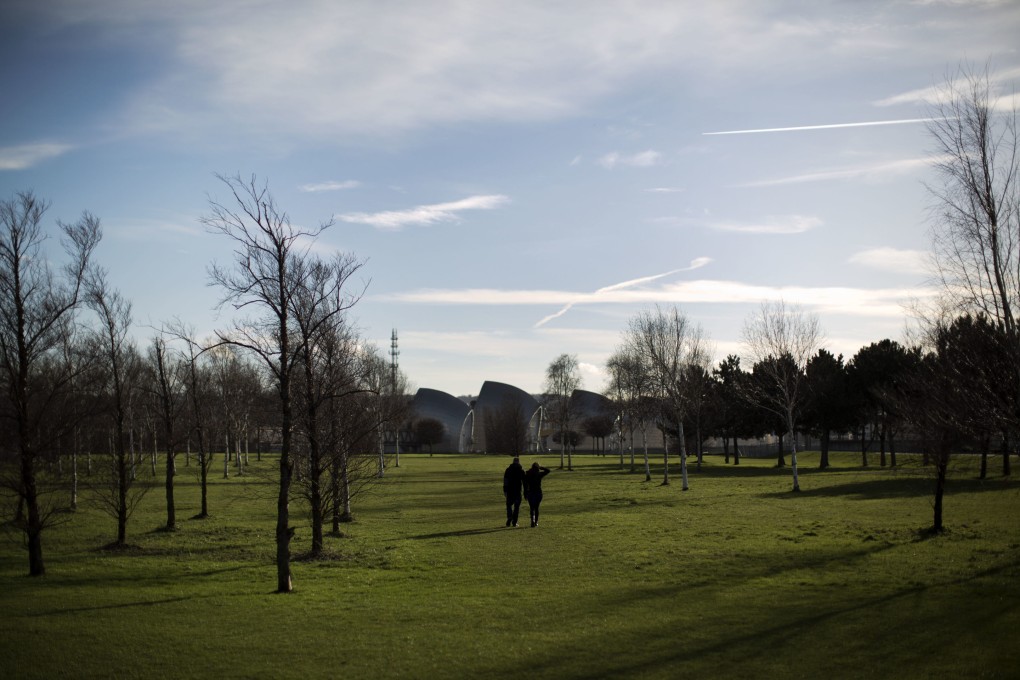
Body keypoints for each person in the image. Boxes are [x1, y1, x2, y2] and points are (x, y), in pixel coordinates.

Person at [524, 462, 551, 527]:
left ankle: (532, 521)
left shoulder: (528, 474)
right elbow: (548, 470)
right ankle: (536, 522)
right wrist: (541, 467)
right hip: (538, 492)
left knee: (531, 508)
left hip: (530, 492)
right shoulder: (539, 474)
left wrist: (525, 493)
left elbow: (525, 485)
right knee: (536, 508)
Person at [502, 456, 526, 527]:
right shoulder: (521, 470)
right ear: (518, 462)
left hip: (510, 491)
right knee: (516, 507)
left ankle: (509, 517)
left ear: (513, 462)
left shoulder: (508, 470)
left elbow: (505, 481)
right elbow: (524, 482)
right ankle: (514, 522)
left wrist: (505, 490)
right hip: (518, 491)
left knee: (509, 505)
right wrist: (525, 491)